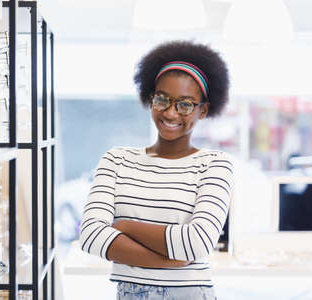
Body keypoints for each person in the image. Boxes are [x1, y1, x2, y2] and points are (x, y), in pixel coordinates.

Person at [79, 40, 232, 300]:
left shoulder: (214, 164)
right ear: (151, 100)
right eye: (162, 99)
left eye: (185, 104)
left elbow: (197, 242)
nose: (171, 113)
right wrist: (169, 261)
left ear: (202, 110)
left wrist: (124, 225)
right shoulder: (117, 160)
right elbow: (91, 234)